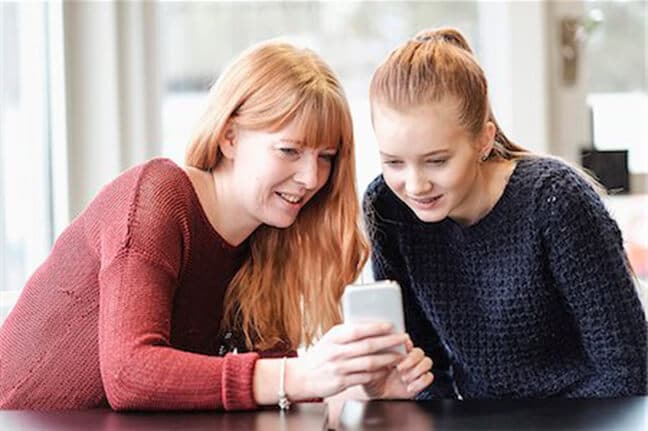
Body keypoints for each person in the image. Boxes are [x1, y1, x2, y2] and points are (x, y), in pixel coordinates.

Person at [0, 40, 433, 410]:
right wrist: (297, 375)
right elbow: (130, 373)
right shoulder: (155, 198)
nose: (312, 178)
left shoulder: (265, 243)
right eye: (289, 150)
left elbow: (264, 392)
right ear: (229, 137)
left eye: (326, 156)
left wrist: (364, 388)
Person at [363, 27, 647, 399]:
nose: (415, 185)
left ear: (483, 139)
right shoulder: (388, 207)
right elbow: (424, 372)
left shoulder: (554, 200)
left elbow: (630, 370)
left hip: (588, 418)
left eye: (437, 161)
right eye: (394, 162)